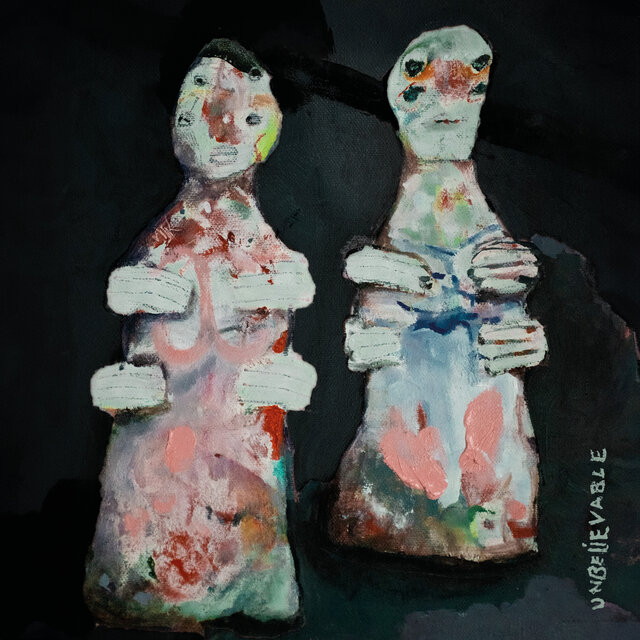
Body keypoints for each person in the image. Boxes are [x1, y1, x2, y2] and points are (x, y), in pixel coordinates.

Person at [84, 39, 316, 632]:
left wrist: (289, 380)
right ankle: (140, 582)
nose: (223, 127)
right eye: (203, 102)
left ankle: (257, 583)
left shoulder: (272, 259)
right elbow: (136, 339)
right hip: (156, 463)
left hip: (242, 463)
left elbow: (277, 357)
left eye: (247, 114)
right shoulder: (162, 244)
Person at [330, 26, 547, 561]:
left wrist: (523, 339)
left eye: (470, 86)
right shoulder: (391, 229)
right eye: (420, 81)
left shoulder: (491, 239)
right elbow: (372, 338)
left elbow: (510, 332)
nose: (448, 101)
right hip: (401, 470)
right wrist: (372, 325)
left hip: (488, 482)